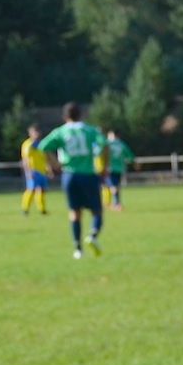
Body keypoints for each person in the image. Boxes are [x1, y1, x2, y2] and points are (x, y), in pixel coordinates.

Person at [38, 103, 108, 258]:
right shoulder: (90, 130)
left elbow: (43, 146)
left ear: (64, 117)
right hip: (88, 174)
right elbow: (104, 144)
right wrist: (103, 165)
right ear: (81, 115)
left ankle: (77, 249)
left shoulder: (61, 131)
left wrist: (53, 163)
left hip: (69, 175)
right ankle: (93, 235)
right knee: (97, 210)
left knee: (74, 213)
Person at [20, 124, 51, 215]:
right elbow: (25, 159)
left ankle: (42, 209)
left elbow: (45, 157)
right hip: (33, 170)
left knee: (42, 190)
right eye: (34, 132)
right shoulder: (27, 145)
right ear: (30, 133)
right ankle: (25, 209)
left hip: (42, 170)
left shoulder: (41, 144)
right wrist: (28, 171)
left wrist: (48, 168)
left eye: (38, 132)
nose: (36, 134)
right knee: (31, 189)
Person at [100, 128, 133, 209]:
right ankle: (111, 203)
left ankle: (116, 203)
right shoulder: (122, 144)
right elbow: (130, 156)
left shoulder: (106, 143)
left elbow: (98, 152)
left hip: (108, 169)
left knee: (111, 186)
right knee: (113, 186)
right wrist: (134, 163)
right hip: (119, 169)